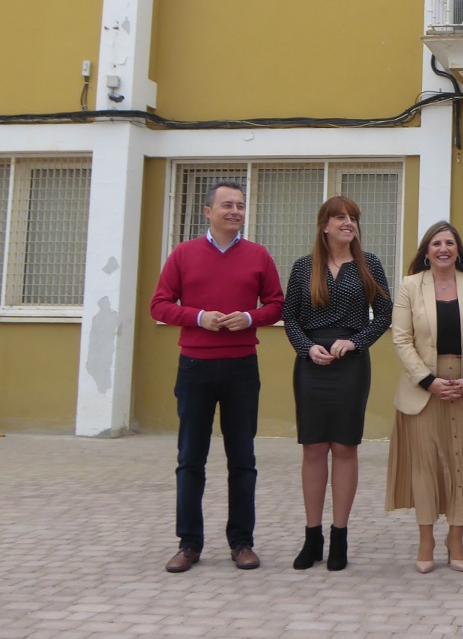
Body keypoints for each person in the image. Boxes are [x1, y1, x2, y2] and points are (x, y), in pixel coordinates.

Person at [151, 181, 285, 574]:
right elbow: (158, 304)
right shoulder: (183, 254)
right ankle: (188, 544)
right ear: (207, 212)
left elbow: (276, 305)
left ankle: (242, 542)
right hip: (195, 366)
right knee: (190, 458)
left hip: (242, 366)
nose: (235, 211)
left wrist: (248, 318)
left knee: (242, 459)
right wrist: (197, 317)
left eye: (241, 206)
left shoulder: (258, 256)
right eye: (227, 205)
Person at [282, 196, 393, 571]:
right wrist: (306, 348)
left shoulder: (369, 264)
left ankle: (339, 537)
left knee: (344, 448)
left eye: (353, 218)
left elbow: (385, 314)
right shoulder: (302, 268)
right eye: (341, 217)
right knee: (313, 448)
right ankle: (312, 537)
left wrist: (356, 340)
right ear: (325, 225)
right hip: (311, 366)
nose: (349, 223)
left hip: (351, 365)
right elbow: (290, 317)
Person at [386, 221, 463, 573]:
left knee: (459, 463)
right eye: (436, 243)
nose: (443, 249)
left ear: (458, 249)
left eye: (450, 242)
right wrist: (427, 380)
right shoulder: (409, 286)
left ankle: (456, 540)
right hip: (424, 389)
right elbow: (401, 339)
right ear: (426, 250)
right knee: (425, 467)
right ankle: (425, 541)